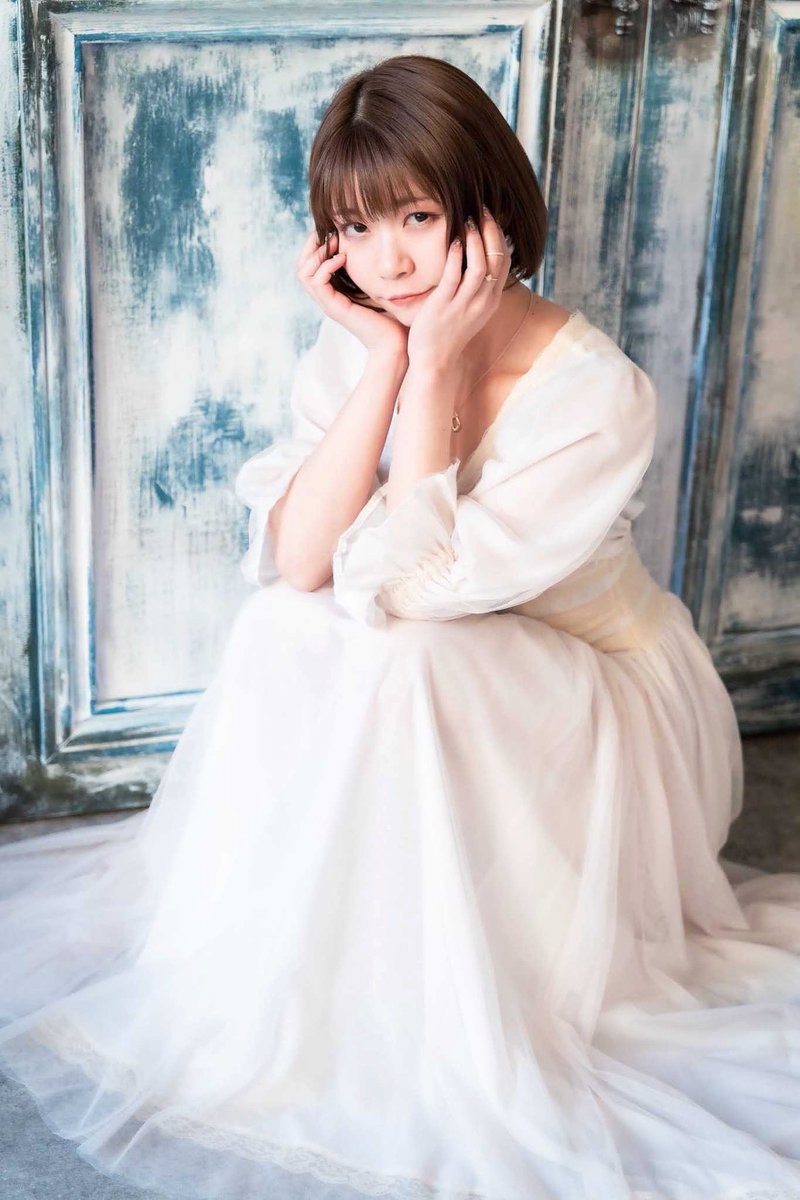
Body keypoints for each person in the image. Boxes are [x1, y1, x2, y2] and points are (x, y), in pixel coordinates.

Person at [1, 51, 800, 1200]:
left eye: (417, 217)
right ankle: (320, 948)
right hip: (461, 662)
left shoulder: (596, 395)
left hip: (603, 695)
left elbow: (408, 587)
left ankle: (442, 974)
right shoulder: (368, 334)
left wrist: (431, 381)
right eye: (355, 228)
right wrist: (385, 359)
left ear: (488, 208)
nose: (389, 262)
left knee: (402, 651)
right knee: (279, 625)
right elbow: (302, 561)